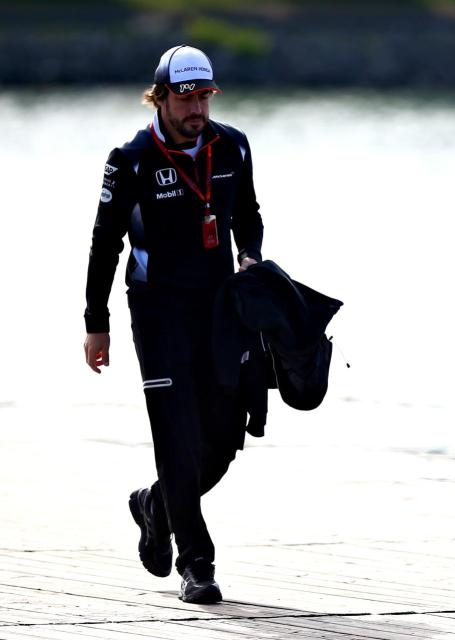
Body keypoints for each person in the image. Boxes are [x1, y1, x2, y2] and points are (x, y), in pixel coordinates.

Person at [83, 45, 264, 604]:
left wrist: (250, 256)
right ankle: (198, 563)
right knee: (176, 435)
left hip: (219, 310)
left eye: (204, 96)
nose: (196, 108)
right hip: (157, 311)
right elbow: (103, 242)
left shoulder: (232, 145)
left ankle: (155, 505)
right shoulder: (131, 158)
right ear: (159, 97)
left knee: (225, 437)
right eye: (185, 97)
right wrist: (97, 322)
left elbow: (248, 214)